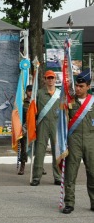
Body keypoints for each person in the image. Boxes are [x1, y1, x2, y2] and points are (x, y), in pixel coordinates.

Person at [62, 69, 94, 214]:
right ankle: (69, 202)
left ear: (88, 86)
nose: (79, 88)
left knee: (93, 173)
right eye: (77, 86)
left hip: (91, 140)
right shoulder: (69, 101)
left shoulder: (92, 101)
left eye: (81, 86)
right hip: (73, 141)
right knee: (71, 173)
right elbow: (61, 122)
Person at [30, 70, 61, 186]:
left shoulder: (60, 93)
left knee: (56, 151)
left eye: (52, 78)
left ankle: (57, 177)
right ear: (44, 79)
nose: (50, 80)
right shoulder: (39, 93)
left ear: (55, 79)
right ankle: (36, 177)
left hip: (56, 125)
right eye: (48, 78)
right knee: (39, 152)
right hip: (42, 124)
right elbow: (33, 109)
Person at [18, 85, 32, 175]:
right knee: (24, 148)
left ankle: (39, 167)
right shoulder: (23, 103)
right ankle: (22, 166)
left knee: (38, 149)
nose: (30, 92)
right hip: (25, 128)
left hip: (35, 128)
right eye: (29, 91)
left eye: (32, 90)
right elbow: (20, 115)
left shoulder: (37, 102)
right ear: (26, 92)